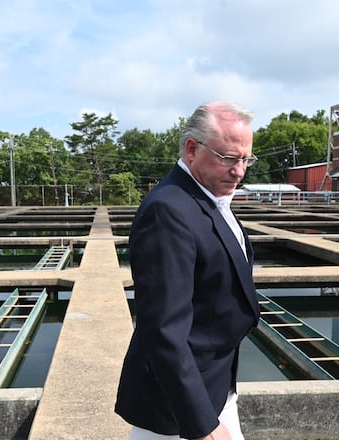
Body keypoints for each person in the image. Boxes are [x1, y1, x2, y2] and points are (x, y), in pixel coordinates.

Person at [115, 101, 261, 440]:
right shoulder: (169, 211)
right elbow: (163, 330)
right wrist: (202, 426)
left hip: (212, 383)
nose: (239, 171)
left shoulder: (208, 198)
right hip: (179, 405)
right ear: (192, 149)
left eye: (245, 159)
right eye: (228, 158)